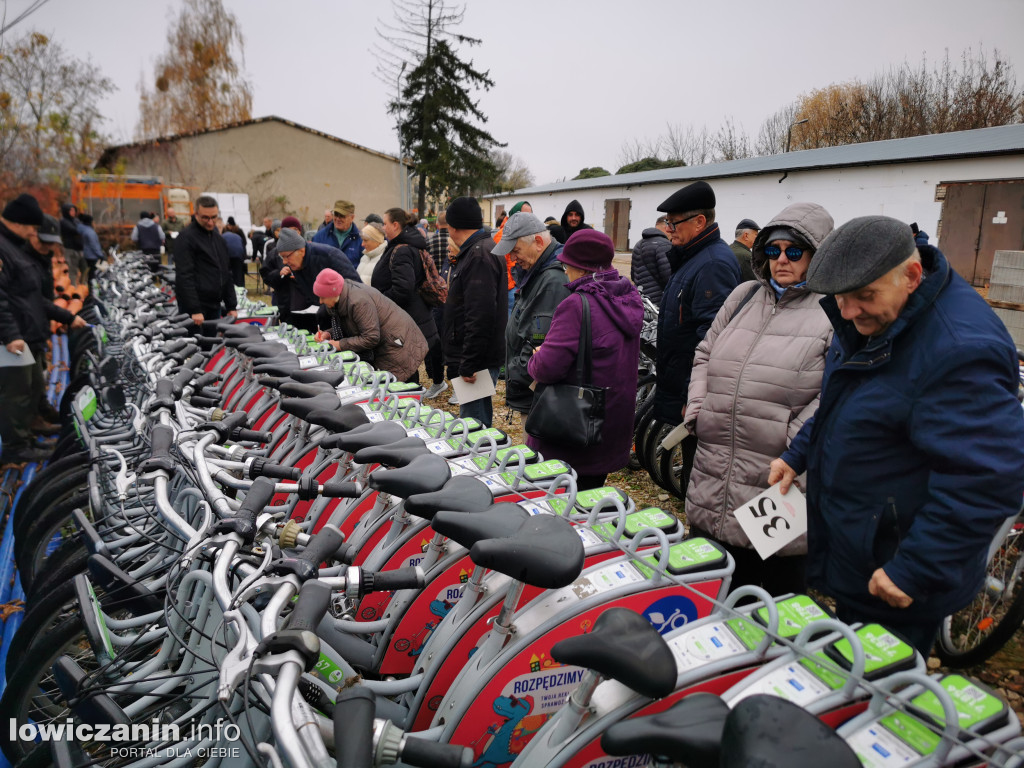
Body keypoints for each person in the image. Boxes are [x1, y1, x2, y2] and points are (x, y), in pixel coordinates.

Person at [768, 215, 1024, 656]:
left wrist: (918, 568)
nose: (847, 312)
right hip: (867, 544)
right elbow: (847, 399)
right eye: (840, 298)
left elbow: (987, 477)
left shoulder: (959, 349)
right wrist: (799, 454)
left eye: (863, 296)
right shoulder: (879, 317)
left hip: (899, 562)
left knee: (881, 692)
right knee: (849, 667)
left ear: (911, 275)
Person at [684, 203, 834, 596]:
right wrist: (699, 409)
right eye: (773, 250)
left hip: (777, 479)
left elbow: (838, 393)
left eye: (794, 251)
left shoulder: (834, 311)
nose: (781, 259)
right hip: (713, 469)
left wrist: (794, 438)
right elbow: (704, 353)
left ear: (818, 255)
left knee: (771, 602)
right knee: (710, 589)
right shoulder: (744, 296)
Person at [527, 230, 643, 490]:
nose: (565, 271)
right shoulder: (627, 299)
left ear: (579, 268)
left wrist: (536, 358)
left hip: (574, 430)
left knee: (562, 506)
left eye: (566, 265)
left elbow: (547, 367)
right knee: (589, 503)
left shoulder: (577, 305)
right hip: (611, 423)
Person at [0, 194, 87, 463]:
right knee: (16, 392)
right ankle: (16, 447)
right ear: (19, 222)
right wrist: (11, 335)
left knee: (32, 386)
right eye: (32, 227)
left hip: (25, 332)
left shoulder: (14, 247)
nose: (33, 232)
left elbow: (32, 297)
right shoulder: (4, 250)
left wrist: (65, 316)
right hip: (13, 337)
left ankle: (29, 432)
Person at [654, 181, 741, 425]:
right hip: (682, 384)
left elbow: (712, 340)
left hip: (692, 394)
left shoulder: (713, 265)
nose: (668, 229)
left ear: (699, 222)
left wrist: (691, 397)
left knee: (696, 458)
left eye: (674, 223)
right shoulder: (692, 257)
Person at [494, 212, 569, 420]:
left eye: (515, 250)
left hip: (537, 394)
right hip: (532, 389)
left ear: (537, 242)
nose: (512, 258)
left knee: (535, 450)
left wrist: (515, 374)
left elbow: (540, 343)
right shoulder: (537, 272)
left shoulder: (552, 280)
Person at [443, 196, 507, 427]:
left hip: (476, 359)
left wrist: (469, 361)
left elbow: (480, 315)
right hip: (477, 355)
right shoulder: (481, 249)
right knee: (476, 418)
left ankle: (478, 462)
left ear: (454, 225)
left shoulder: (478, 255)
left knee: (473, 425)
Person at [312, 268, 427, 382]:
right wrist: (328, 334)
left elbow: (371, 337)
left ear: (334, 292)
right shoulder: (343, 296)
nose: (321, 301)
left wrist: (339, 344)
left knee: (403, 389)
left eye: (323, 296)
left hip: (397, 344)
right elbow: (354, 325)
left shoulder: (357, 301)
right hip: (390, 340)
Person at [372, 208, 441, 386]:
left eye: (385, 224)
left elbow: (403, 289)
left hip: (406, 320)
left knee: (405, 370)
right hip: (411, 317)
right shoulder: (405, 245)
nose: (383, 228)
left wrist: (379, 300)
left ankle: (409, 405)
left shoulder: (402, 250)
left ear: (395, 225)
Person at [275, 226, 360, 333]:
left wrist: (328, 307)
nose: (284, 262)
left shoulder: (328, 256)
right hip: (323, 316)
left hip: (348, 315)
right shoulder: (296, 264)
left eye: (287, 256)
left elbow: (355, 287)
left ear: (301, 251)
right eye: (282, 257)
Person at [174, 195, 237, 326]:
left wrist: (231, 305)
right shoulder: (186, 238)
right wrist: (194, 309)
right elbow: (184, 276)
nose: (210, 222)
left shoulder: (218, 239)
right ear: (196, 214)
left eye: (214, 217)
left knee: (213, 344)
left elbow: (226, 272)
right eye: (205, 218)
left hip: (215, 306)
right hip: (195, 311)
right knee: (196, 345)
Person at [495, 201, 532, 316]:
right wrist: (512, 285)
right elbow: (499, 265)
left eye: (530, 215)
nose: (527, 219)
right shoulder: (502, 235)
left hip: (521, 285)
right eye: (524, 215)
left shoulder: (525, 233)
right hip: (511, 289)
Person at [630, 215, 673, 303]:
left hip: (640, 299)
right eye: (672, 226)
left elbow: (633, 275)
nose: (673, 231)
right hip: (657, 302)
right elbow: (669, 279)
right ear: (666, 227)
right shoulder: (664, 245)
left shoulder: (639, 243)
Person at [312, 199, 362, 269]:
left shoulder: (361, 241)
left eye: (342, 215)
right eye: (336, 214)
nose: (338, 219)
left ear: (352, 217)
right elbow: (312, 264)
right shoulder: (319, 237)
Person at [76, 212, 104, 280]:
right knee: (93, 274)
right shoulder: (90, 232)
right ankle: (92, 287)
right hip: (92, 256)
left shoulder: (83, 230)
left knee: (89, 273)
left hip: (87, 254)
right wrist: (101, 255)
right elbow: (94, 245)